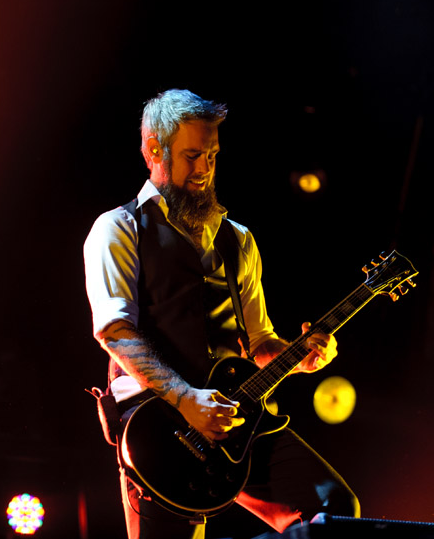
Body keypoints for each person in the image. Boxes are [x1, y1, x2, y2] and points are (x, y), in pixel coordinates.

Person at [83, 89, 360, 538]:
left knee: (334, 510)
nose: (206, 169)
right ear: (154, 149)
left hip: (240, 420)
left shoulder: (239, 241)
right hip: (161, 430)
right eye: (192, 155)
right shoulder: (117, 229)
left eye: (212, 155)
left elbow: (260, 343)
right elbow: (115, 332)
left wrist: (300, 356)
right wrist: (185, 399)